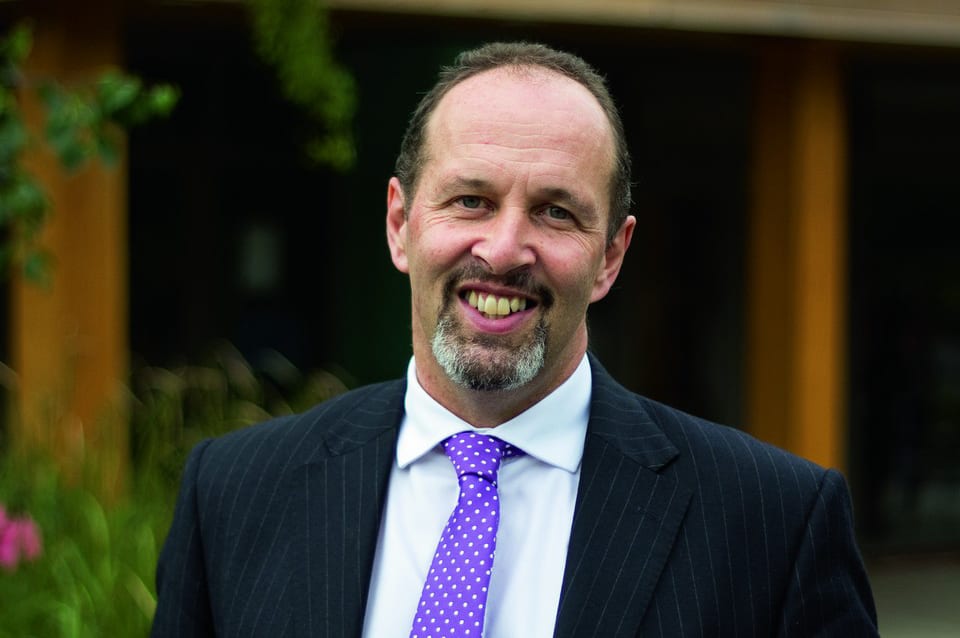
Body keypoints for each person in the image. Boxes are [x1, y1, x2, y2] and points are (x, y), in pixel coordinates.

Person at [152, 42, 878, 637]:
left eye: (556, 212)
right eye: (471, 200)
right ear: (401, 224)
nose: (502, 250)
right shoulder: (234, 493)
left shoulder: (774, 523)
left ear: (611, 255)